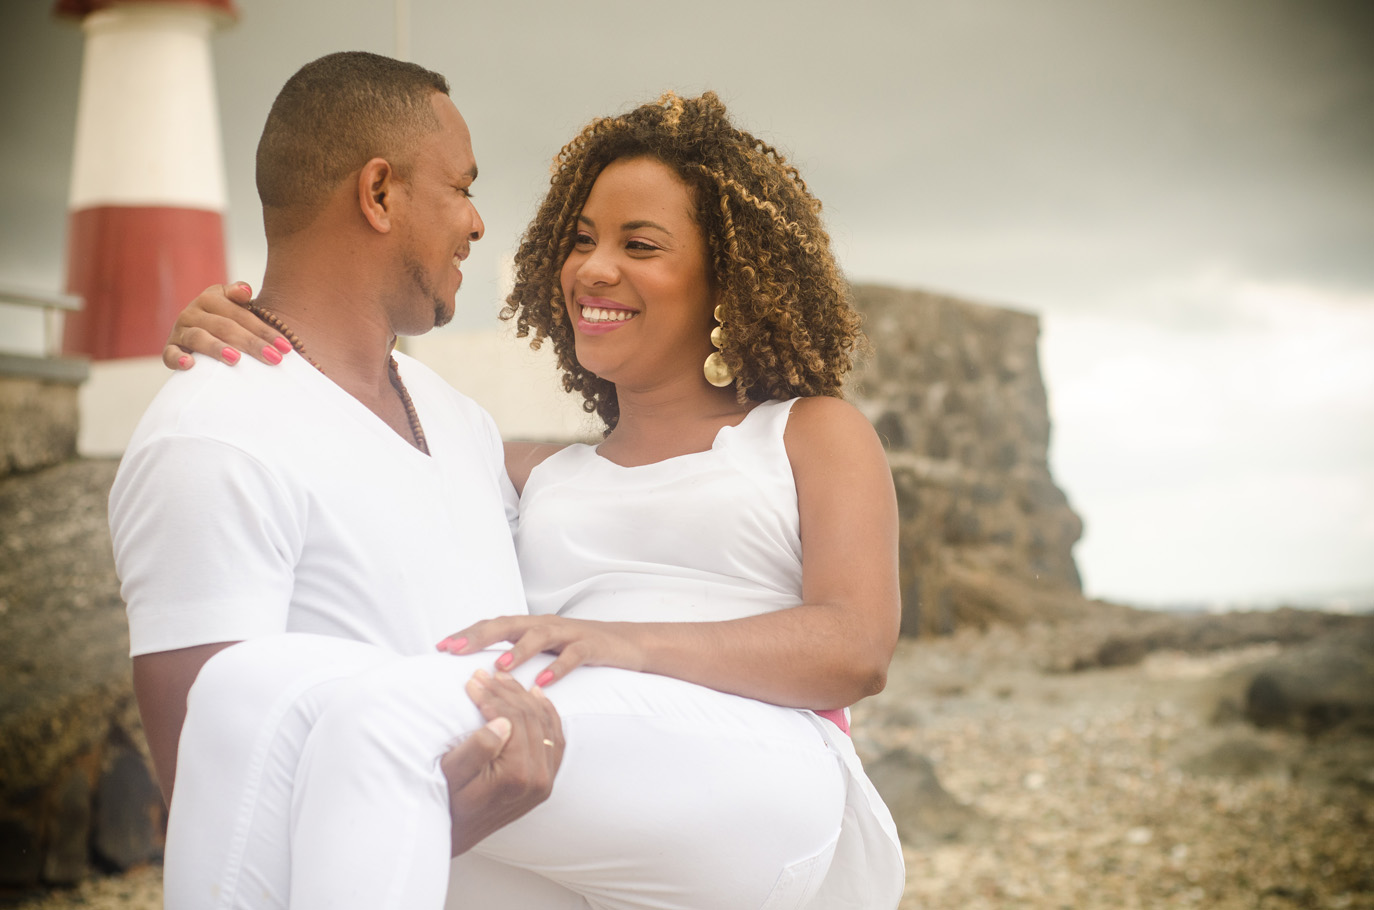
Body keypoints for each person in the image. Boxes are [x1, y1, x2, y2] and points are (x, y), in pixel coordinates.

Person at [159, 82, 906, 909]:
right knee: (241, 693)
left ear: (725, 279)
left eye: (641, 244)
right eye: (581, 239)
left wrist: (615, 641)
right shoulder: (523, 466)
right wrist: (244, 332)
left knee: (385, 724)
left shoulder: (806, 433)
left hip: (761, 771)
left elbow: (855, 646)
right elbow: (361, 420)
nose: (594, 266)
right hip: (578, 754)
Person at [110, 52, 565, 909]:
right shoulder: (214, 438)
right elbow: (224, 824)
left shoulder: (453, 415)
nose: (476, 224)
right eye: (463, 186)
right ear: (379, 193)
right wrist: (422, 816)